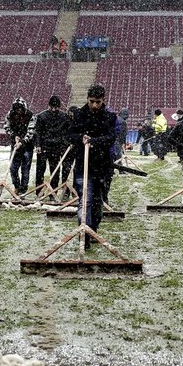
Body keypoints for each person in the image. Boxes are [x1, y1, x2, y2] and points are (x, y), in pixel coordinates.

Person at [68, 84, 118, 248]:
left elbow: (111, 137)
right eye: (91, 102)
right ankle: (85, 234)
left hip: (102, 166)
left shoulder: (109, 117)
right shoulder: (79, 115)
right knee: (85, 200)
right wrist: (80, 138)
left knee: (97, 201)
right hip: (83, 164)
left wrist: (94, 141)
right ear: (87, 100)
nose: (94, 105)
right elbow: (69, 135)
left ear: (103, 100)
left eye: (98, 102)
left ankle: (93, 229)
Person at [27, 95, 71, 197]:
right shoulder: (42, 116)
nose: (54, 110)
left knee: (55, 171)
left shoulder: (63, 116)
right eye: (52, 107)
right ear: (49, 106)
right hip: (43, 147)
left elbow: (67, 131)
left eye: (56, 108)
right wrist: (38, 145)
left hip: (56, 147)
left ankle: (53, 193)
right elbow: (38, 132)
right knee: (40, 171)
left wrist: (64, 143)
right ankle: (39, 192)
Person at [4, 96, 34, 195]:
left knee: (25, 170)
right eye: (17, 109)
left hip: (27, 147)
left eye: (20, 108)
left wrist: (23, 142)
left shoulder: (30, 116)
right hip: (15, 146)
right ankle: (16, 186)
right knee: (13, 168)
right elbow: (7, 126)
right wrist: (14, 136)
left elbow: (31, 131)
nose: (19, 111)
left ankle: (23, 189)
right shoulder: (10, 114)